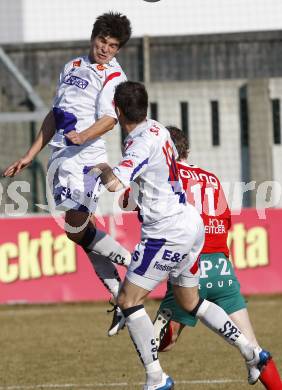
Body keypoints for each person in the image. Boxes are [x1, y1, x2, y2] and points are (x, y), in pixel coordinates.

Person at [93, 80, 270, 390]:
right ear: (145, 107)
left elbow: (114, 185)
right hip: (191, 224)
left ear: (118, 111)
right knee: (191, 302)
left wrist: (100, 166)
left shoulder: (137, 144)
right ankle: (251, 352)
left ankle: (155, 378)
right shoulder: (158, 129)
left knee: (128, 299)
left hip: (166, 233)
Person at [3, 12, 132, 336]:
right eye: (103, 41)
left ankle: (135, 264)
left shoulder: (113, 76)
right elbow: (54, 115)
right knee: (80, 233)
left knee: (75, 229)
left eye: (113, 45)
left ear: (118, 50)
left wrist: (84, 136)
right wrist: (30, 155)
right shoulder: (71, 67)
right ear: (94, 37)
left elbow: (109, 120)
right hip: (61, 158)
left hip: (87, 159)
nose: (105, 49)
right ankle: (121, 299)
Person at [153, 126, 282, 389]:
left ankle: (154, 377)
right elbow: (224, 223)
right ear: (186, 149)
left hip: (190, 267)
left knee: (156, 344)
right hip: (222, 269)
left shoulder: (168, 175)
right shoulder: (211, 178)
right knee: (254, 348)